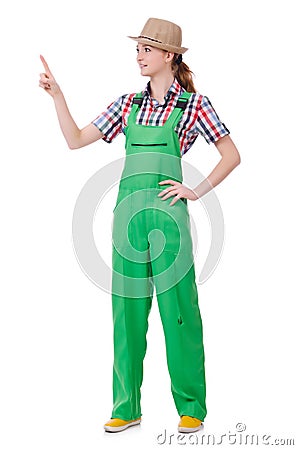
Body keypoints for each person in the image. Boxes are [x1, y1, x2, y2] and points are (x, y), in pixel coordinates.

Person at [39, 17, 240, 434]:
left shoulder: (194, 105)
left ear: (169, 56)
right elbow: (75, 139)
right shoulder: (126, 104)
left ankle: (191, 407)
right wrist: (58, 97)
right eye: (138, 49)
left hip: (170, 221)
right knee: (126, 314)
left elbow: (231, 155)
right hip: (126, 220)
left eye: (147, 49)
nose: (139, 55)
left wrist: (196, 190)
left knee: (179, 312)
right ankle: (126, 406)